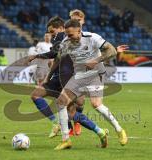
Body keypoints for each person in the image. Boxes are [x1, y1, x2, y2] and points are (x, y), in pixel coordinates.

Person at [26, 16, 109, 148]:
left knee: (71, 111)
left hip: (67, 79)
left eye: (53, 32)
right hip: (60, 78)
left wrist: (36, 56)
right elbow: (57, 60)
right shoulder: (63, 40)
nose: (52, 36)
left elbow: (53, 54)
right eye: (50, 33)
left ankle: (96, 131)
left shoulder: (64, 38)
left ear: (61, 28)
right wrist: (49, 76)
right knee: (65, 110)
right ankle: (97, 131)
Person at [54, 19, 128, 150]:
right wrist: (49, 73)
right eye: (67, 34)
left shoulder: (92, 38)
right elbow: (58, 57)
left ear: (79, 31)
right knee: (61, 102)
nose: (68, 37)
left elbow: (111, 51)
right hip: (79, 76)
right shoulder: (65, 43)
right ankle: (66, 140)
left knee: (96, 104)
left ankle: (119, 129)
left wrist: (96, 60)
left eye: (71, 34)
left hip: (95, 74)